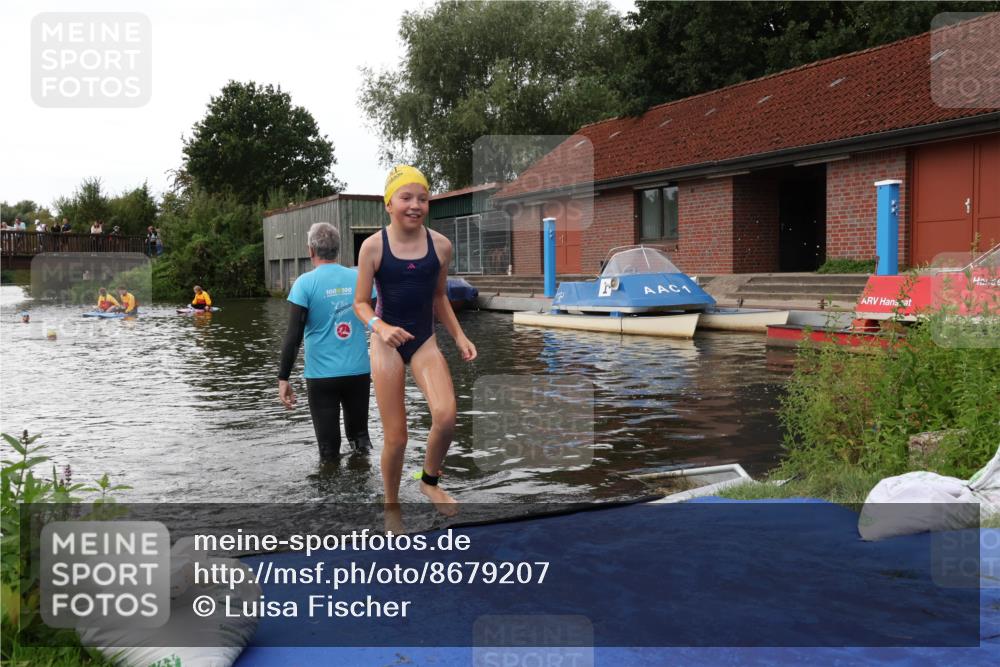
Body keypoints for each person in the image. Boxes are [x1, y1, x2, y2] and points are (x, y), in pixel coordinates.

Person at [354, 165, 476, 520]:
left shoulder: (440, 246)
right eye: (406, 197)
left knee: (447, 414)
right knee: (397, 437)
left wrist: (459, 335)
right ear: (388, 204)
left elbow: (439, 297)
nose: (415, 205)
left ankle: (429, 480)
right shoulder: (373, 247)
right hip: (386, 342)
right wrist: (380, 327)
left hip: (423, 339)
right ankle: (392, 505)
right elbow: (360, 303)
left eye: (423, 198)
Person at [278, 222, 373, 461]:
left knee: (328, 449)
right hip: (358, 372)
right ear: (338, 249)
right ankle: (365, 486)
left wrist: (283, 378)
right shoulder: (359, 278)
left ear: (311, 250)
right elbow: (378, 319)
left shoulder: (304, 284)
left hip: (322, 377)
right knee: (360, 438)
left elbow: (293, 337)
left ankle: (331, 494)